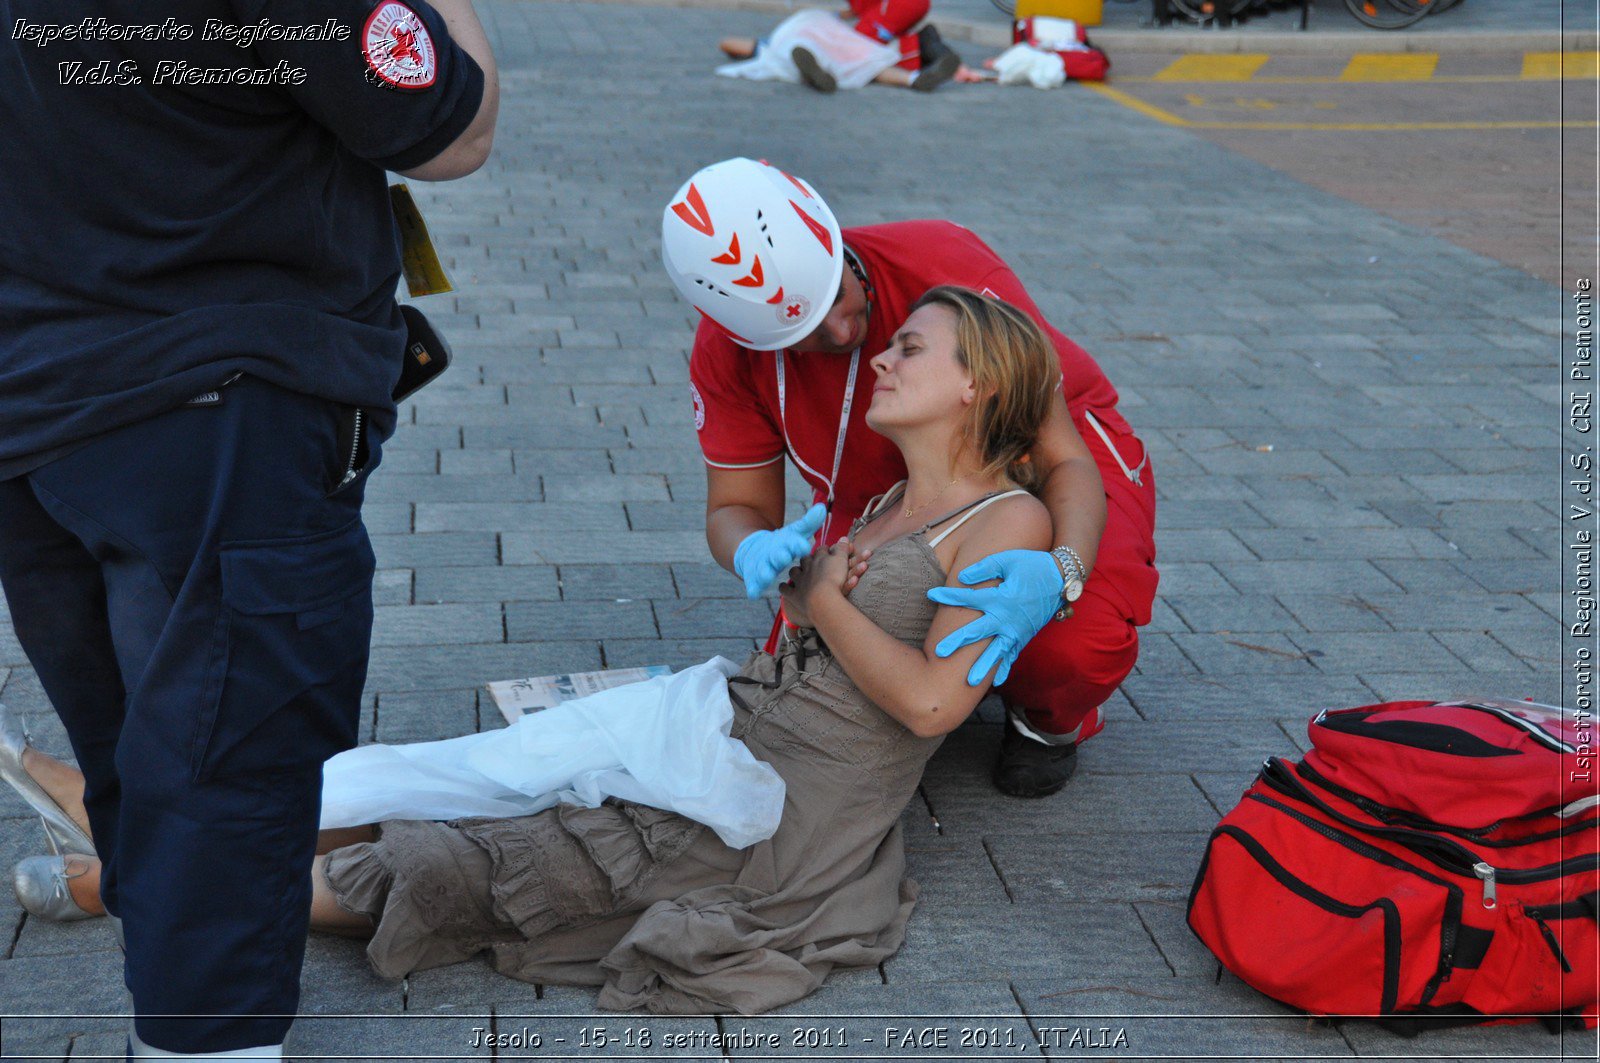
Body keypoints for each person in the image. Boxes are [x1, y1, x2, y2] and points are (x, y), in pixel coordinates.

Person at [5, 286, 1056, 1015]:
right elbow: (803, 593)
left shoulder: (1002, 523)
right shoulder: (880, 500)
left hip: (776, 815)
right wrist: (791, 571)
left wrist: (820, 594)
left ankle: (133, 874)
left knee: (466, 856)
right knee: (462, 774)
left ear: (978, 385)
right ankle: (136, 808)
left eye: (912, 348)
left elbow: (929, 707)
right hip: (725, 731)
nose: (882, 354)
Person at [0, 1, 497, 1057]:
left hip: (41, 408)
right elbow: (453, 130)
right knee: (224, 771)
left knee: (147, 753)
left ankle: (177, 980)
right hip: (215, 421)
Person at [662, 158, 1159, 799]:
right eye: (805, 336)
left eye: (838, 295)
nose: (845, 334)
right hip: (885, 486)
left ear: (834, 239)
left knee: (1071, 642)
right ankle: (954, 660)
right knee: (813, 647)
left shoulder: (945, 262)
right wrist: (755, 550)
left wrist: (1063, 572)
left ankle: (1049, 722)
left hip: (1042, 448)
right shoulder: (726, 352)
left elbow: (1060, 457)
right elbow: (734, 506)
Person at [717, 1, 961, 93]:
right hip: (824, 37)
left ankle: (818, 70)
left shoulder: (767, 45)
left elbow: (726, 43)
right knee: (870, 62)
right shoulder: (771, 44)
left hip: (801, 39)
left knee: (864, 61)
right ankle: (913, 80)